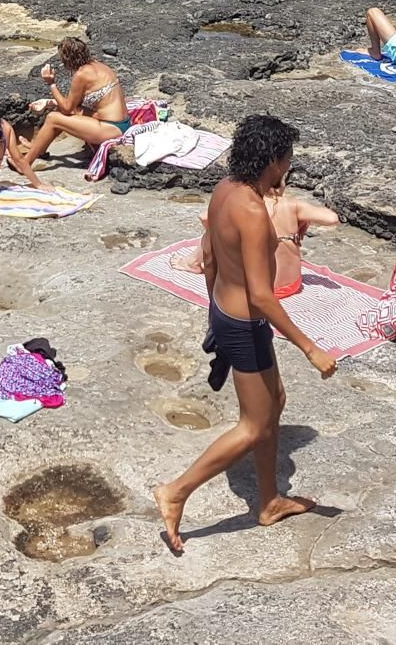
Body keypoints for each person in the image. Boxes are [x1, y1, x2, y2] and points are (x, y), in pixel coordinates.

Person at [154, 114, 335, 556]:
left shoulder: (224, 189)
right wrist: (311, 348)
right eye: (287, 160)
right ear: (272, 161)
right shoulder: (253, 213)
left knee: (275, 402)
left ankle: (270, 501)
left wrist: (214, 307)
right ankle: (176, 491)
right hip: (245, 323)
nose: (289, 168)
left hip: (225, 310)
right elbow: (263, 296)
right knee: (254, 425)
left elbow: (211, 257)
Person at [176, 179, 340, 301]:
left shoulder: (245, 204)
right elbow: (332, 218)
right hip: (292, 285)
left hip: (256, 290)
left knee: (215, 230)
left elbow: (204, 217)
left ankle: (192, 262)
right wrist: (304, 219)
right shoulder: (292, 205)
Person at [14, 37, 132, 171]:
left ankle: (24, 164)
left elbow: (66, 108)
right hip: (123, 123)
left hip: (111, 129)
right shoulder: (100, 66)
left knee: (54, 118)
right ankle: (39, 149)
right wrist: (49, 102)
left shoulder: (82, 74)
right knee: (61, 114)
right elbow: (73, 105)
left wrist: (51, 84)